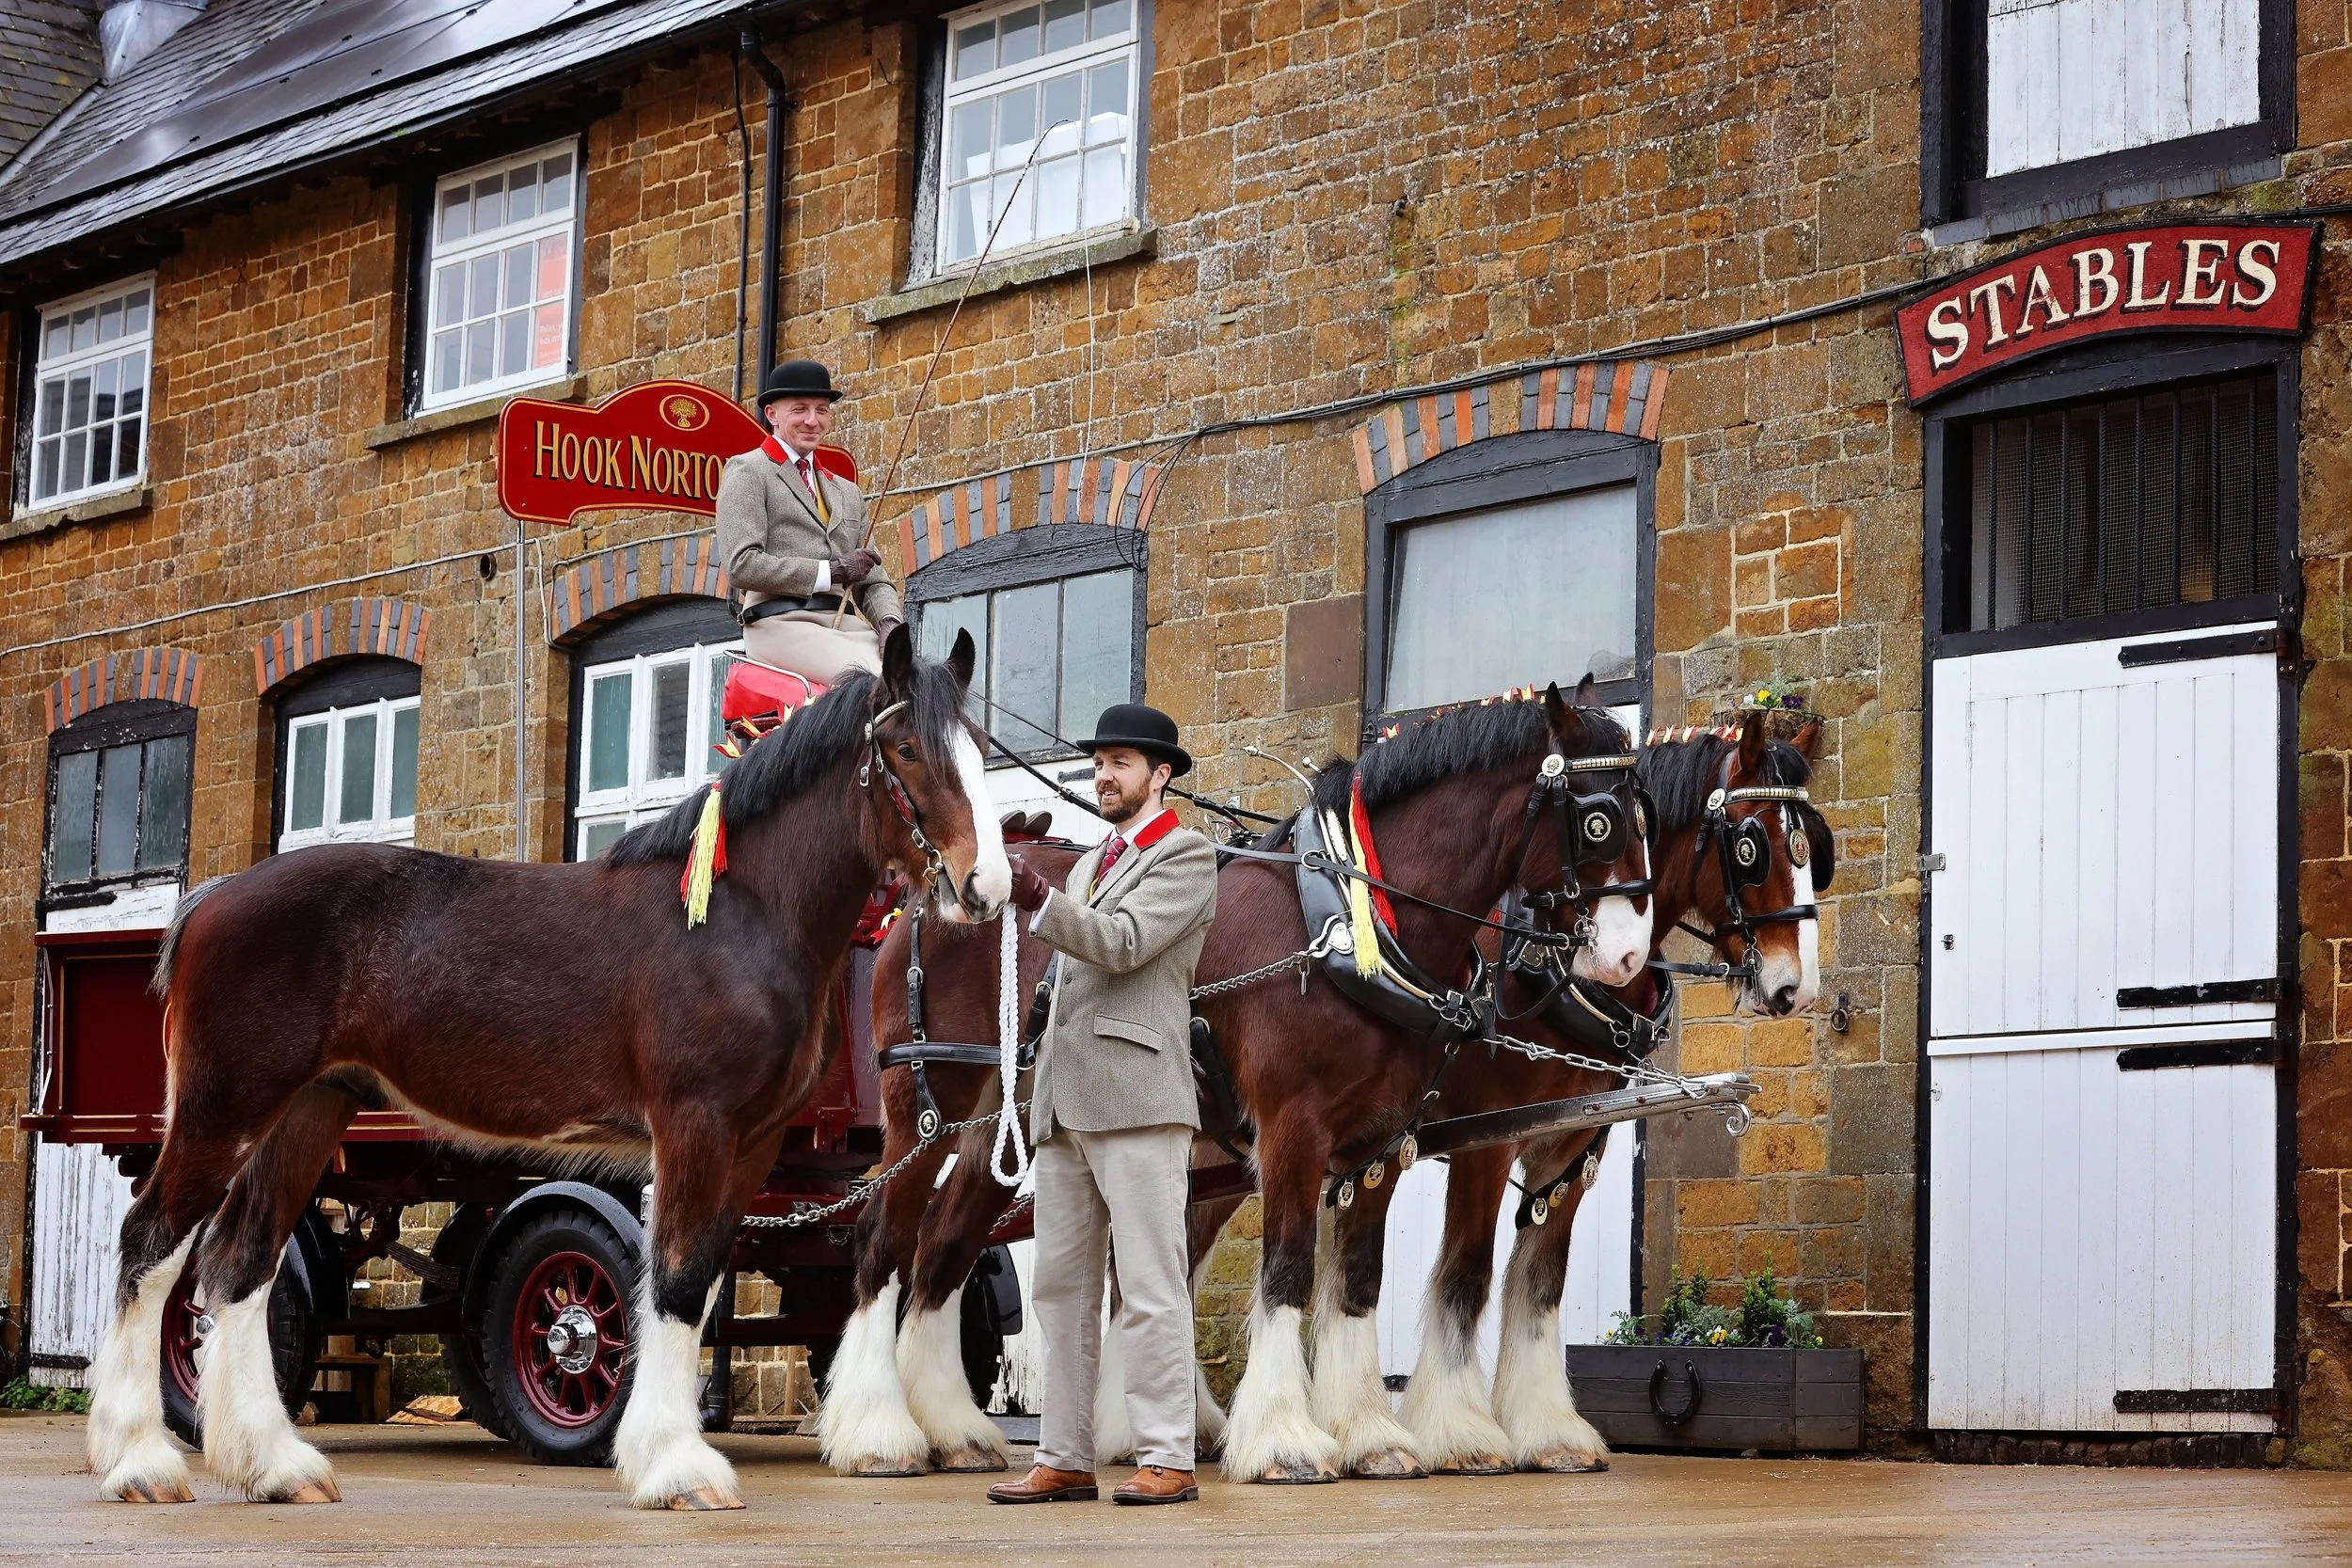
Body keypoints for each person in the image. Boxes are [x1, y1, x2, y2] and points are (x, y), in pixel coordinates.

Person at [987, 704, 1217, 1508]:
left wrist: (1040, 902)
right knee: (1059, 1288)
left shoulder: (1186, 857)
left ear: (1160, 775)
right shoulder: (1090, 864)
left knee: (1151, 1285)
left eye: (1121, 761)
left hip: (1141, 1098)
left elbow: (1120, 943)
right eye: (1099, 761)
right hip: (1065, 1104)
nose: (1104, 774)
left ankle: (1168, 1455)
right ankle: (1066, 1455)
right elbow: (1069, 969)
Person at [713, 359, 902, 682]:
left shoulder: (848, 492)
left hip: (843, 627)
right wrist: (832, 572)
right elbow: (741, 564)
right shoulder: (749, 471)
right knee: (874, 682)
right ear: (772, 414)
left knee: (919, 680)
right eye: (800, 409)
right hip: (779, 624)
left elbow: (874, 578)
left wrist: (889, 623)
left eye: (822, 410)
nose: (812, 421)